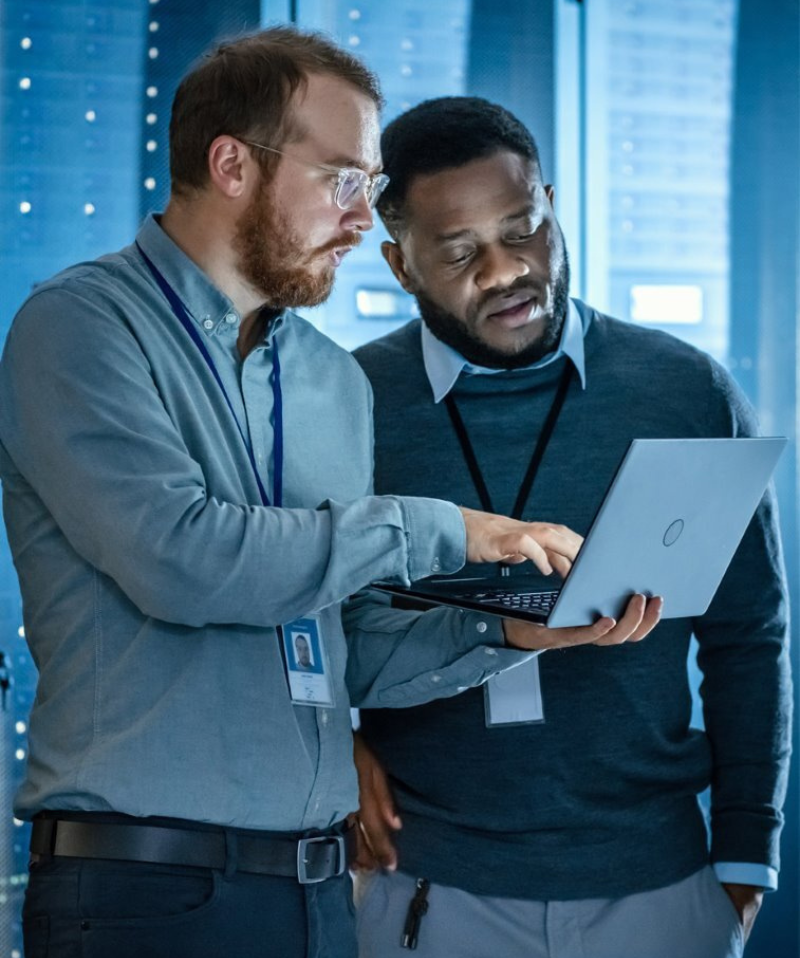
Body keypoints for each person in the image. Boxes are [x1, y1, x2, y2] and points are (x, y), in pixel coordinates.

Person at [0, 35, 661, 958]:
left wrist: (508, 633)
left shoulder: (330, 381)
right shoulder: (81, 326)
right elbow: (182, 560)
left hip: (316, 894)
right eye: (344, 180)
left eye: (370, 183)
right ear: (232, 164)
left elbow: (340, 645)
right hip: (141, 891)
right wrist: (447, 530)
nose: (362, 218)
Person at [351, 97, 792, 958]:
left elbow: (750, 637)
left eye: (524, 229)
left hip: (661, 890)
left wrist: (746, 861)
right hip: (429, 890)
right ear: (400, 265)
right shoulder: (350, 405)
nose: (506, 270)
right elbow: (301, 623)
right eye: (460, 252)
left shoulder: (684, 390)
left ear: (551, 204)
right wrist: (338, 747)